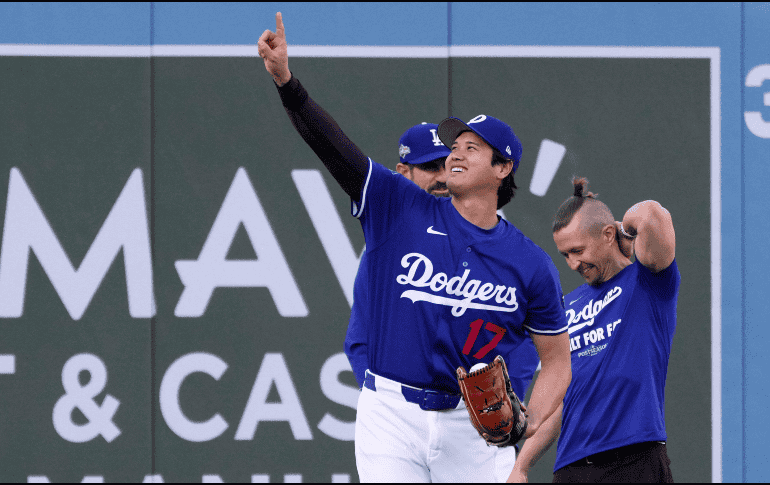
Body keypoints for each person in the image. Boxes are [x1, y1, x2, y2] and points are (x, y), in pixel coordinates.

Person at [258, 12, 571, 482]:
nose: (457, 153)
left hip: (474, 432)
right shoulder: (399, 206)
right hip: (392, 415)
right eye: (455, 145)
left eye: (473, 146)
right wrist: (287, 83)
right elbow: (334, 148)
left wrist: (527, 425)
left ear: (503, 168)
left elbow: (557, 361)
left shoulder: (529, 263)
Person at [344, 123, 541, 408]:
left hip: (478, 415)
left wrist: (505, 400)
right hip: (399, 411)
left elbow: (526, 335)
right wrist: (382, 401)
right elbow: (361, 337)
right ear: (404, 173)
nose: (442, 177)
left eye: (445, 164)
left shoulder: (500, 243)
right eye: (429, 167)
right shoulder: (388, 244)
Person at [510, 177, 678, 483]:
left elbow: (653, 214)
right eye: (565, 255)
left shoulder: (648, 280)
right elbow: (562, 399)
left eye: (578, 250)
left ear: (607, 234)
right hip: (572, 466)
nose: (573, 264)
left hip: (635, 457)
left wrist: (625, 232)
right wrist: (521, 465)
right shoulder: (568, 305)